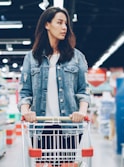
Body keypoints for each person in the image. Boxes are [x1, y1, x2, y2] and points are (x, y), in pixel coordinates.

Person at [17, 6, 91, 165]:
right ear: (47, 24)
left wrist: (82, 112)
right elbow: (25, 91)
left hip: (69, 126)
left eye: (66, 24)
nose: (64, 27)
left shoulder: (77, 57)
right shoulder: (31, 58)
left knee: (66, 164)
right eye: (59, 22)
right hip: (41, 127)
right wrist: (26, 112)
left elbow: (83, 90)